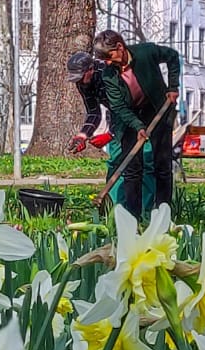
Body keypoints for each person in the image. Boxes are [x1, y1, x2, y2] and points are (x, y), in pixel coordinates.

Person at [94, 30, 180, 218]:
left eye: (108, 57)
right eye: (103, 60)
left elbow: (172, 56)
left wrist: (173, 87)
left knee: (162, 165)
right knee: (132, 168)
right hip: (129, 116)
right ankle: (134, 217)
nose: (107, 63)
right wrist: (138, 126)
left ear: (119, 47)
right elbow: (118, 106)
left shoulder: (146, 52)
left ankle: (163, 213)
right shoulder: (109, 75)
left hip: (158, 109)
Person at [66, 50, 153, 211]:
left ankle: (148, 211)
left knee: (146, 160)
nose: (79, 82)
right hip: (117, 116)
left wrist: (110, 134)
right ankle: (116, 210)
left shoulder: (109, 74)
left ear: (90, 69)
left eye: (80, 77)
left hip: (141, 112)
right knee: (116, 160)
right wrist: (83, 135)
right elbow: (93, 112)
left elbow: (125, 105)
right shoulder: (83, 83)